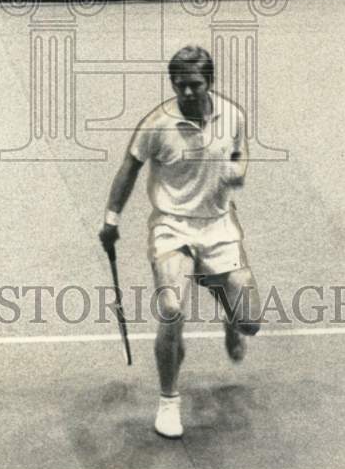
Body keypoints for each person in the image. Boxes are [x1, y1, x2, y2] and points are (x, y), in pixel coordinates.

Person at [98, 45, 261, 439]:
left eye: (194, 85)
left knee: (250, 321)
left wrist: (237, 171)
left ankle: (227, 314)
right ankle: (169, 401)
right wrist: (111, 218)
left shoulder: (232, 116)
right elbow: (129, 168)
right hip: (171, 225)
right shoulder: (157, 125)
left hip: (219, 226)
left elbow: (240, 154)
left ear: (210, 83)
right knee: (171, 309)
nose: (186, 93)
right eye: (179, 85)